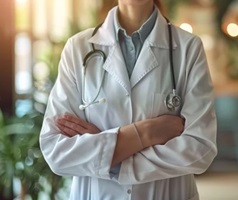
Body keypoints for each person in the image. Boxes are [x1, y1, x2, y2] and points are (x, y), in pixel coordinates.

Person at [39, 0, 217, 199]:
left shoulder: (188, 48)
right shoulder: (78, 48)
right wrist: (145, 133)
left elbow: (200, 149)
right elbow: (56, 151)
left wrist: (112, 157)